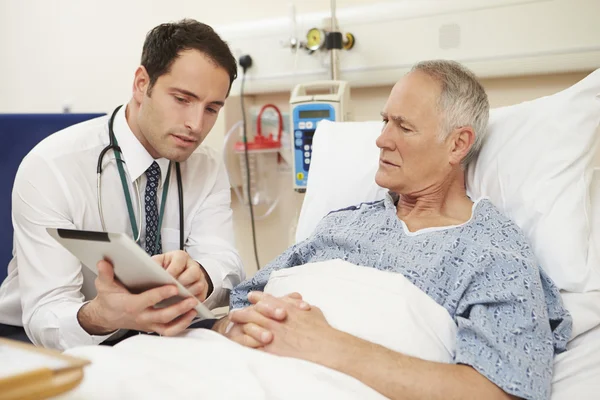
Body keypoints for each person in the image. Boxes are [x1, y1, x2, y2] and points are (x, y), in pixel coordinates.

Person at [210, 60, 572, 400]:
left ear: (458, 144)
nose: (382, 139)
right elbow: (240, 307)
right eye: (385, 121)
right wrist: (232, 328)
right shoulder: (343, 223)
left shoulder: (494, 252)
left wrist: (331, 345)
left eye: (404, 126)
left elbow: (501, 389)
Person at [0, 19, 244, 350]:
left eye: (212, 108)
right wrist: (102, 315)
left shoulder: (207, 165)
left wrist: (202, 275)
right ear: (142, 83)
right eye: (182, 99)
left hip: (154, 341)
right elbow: (45, 315)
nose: (196, 125)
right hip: (38, 344)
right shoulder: (52, 167)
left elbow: (225, 263)